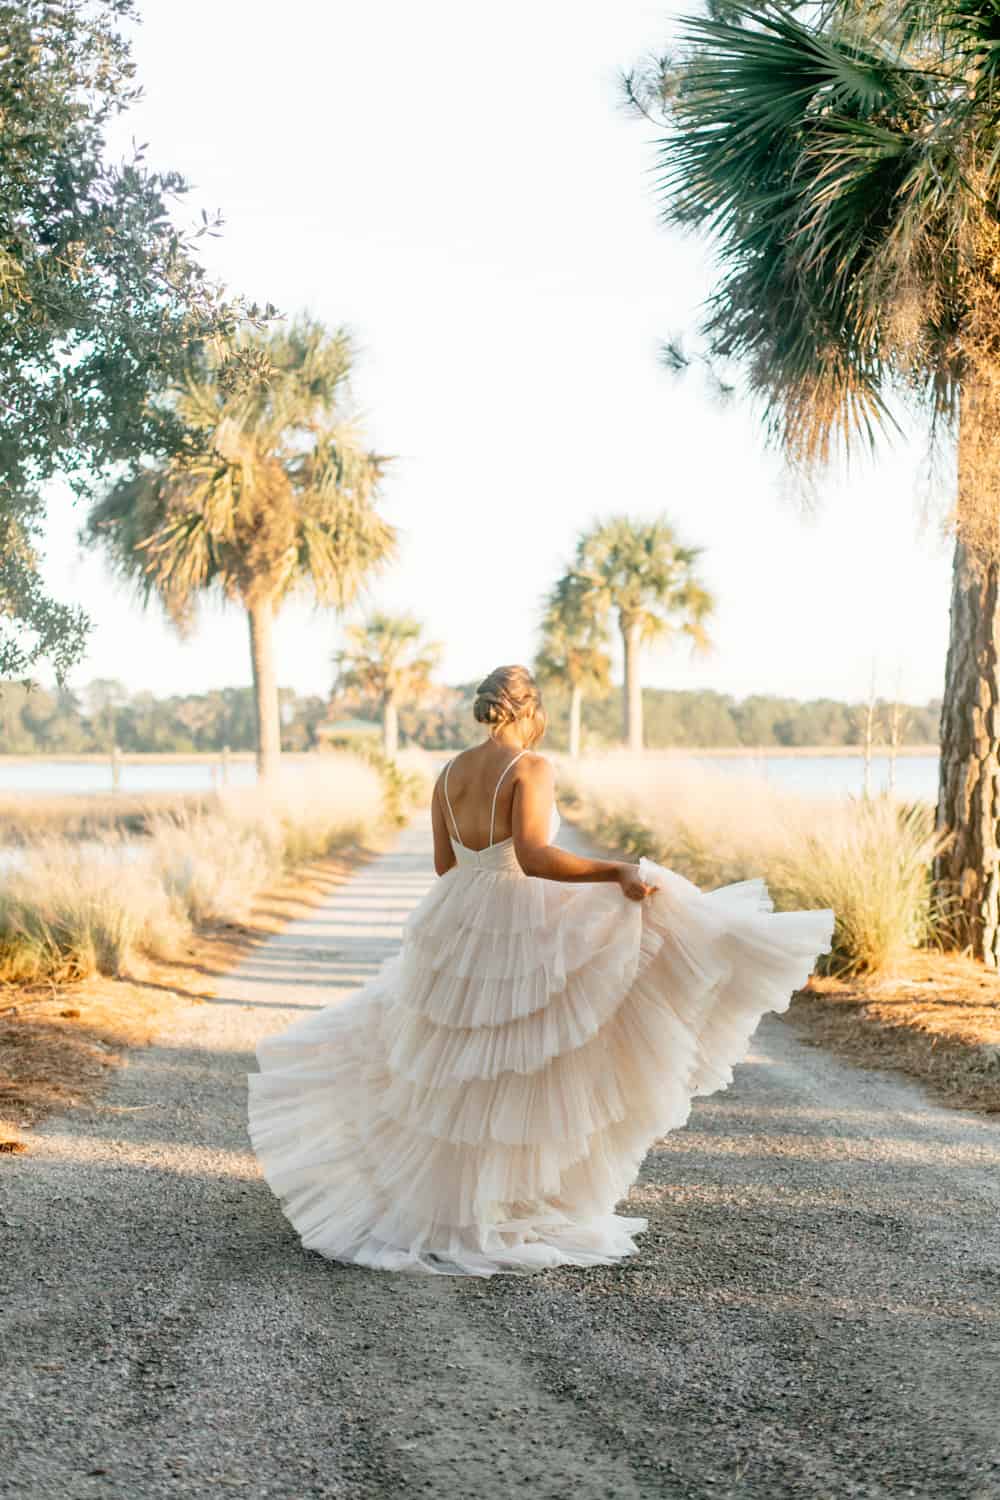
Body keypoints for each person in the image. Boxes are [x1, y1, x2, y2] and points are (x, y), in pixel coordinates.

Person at [248, 664, 833, 1276]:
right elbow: (532, 856)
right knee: (517, 1053)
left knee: (459, 1061)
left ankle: (455, 1200)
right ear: (528, 711)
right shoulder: (530, 767)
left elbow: (447, 865)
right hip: (510, 909)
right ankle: (496, 1200)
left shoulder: (447, 774)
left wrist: (483, 897)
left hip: (458, 914)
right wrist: (614, 872)